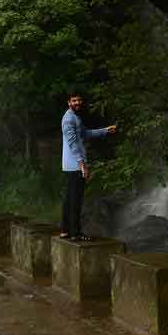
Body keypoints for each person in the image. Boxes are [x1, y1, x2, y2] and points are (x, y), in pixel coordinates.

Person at [60, 91, 116, 241]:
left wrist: (105, 131)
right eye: (74, 100)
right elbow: (73, 144)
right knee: (75, 200)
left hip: (71, 165)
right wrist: (82, 164)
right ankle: (75, 233)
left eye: (79, 100)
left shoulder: (75, 117)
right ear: (68, 102)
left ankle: (66, 230)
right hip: (75, 165)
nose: (77, 103)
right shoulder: (68, 119)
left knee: (69, 198)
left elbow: (85, 134)